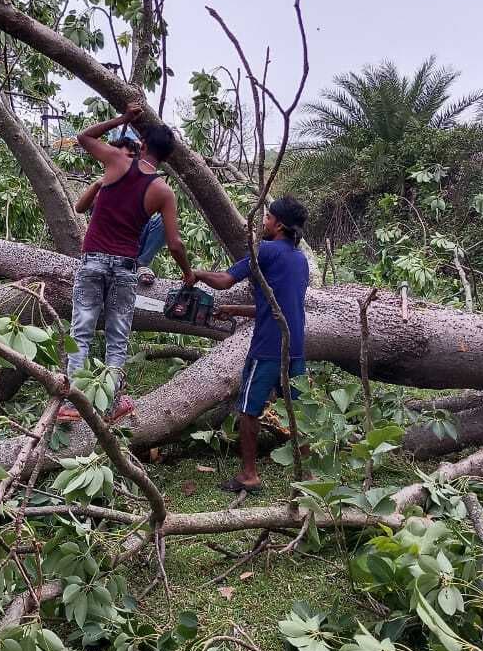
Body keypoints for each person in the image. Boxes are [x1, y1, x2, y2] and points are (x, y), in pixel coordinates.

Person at [59, 104, 194, 423]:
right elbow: (175, 242)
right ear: (167, 156)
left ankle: (72, 405)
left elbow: (84, 136)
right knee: (118, 337)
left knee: (82, 331)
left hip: (92, 262)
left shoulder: (118, 160)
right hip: (124, 268)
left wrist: (123, 119)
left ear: (143, 145)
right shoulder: (163, 191)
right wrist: (188, 273)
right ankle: (114, 401)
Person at [189, 196, 309, 493]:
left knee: (248, 410)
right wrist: (233, 311)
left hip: (267, 345)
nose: (264, 222)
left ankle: (249, 475)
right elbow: (279, 306)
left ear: (279, 225)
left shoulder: (265, 251)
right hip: (295, 346)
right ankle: (308, 473)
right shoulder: (300, 259)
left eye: (267, 218)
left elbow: (225, 280)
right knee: (299, 409)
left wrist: (197, 274)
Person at [73, 134, 168, 283]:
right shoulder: (105, 184)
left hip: (133, 244)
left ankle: (141, 264)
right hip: (106, 249)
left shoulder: (145, 184)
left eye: (131, 157)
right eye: (123, 157)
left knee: (163, 222)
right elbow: (79, 208)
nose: (127, 162)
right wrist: (98, 185)